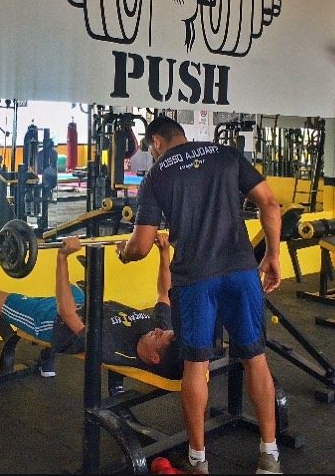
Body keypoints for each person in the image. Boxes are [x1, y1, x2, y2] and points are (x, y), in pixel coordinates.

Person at [116, 115, 283, 475]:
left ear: (157, 141)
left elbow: (141, 245)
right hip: (240, 270)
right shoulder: (226, 154)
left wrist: (123, 253)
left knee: (196, 366)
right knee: (255, 359)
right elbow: (269, 203)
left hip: (195, 279)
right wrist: (272, 255)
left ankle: (198, 461)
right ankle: (270, 456)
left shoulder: (156, 175)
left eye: (150, 148)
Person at [0, 232, 181, 396]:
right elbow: (164, 293)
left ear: (154, 358)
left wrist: (62, 258)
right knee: (74, 288)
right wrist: (164, 252)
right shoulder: (164, 333)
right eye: (165, 331)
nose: (159, 330)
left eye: (160, 336)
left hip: (54, 320)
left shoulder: (108, 347)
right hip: (85, 306)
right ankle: (46, 362)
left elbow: (67, 314)